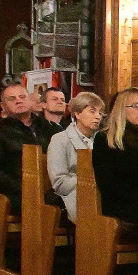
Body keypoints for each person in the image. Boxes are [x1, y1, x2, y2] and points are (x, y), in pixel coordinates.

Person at [92, 87, 138, 234]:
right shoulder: (106, 140)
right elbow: (108, 185)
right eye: (136, 106)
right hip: (123, 211)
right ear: (121, 109)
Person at [0, 84, 52, 213]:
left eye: (22, 97)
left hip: (51, 187)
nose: (18, 100)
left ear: (30, 100)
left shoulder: (49, 127)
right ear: (3, 106)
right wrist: (21, 185)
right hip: (17, 191)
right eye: (12, 99)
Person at [46, 91, 104, 223]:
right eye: (92, 111)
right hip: (73, 195)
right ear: (77, 113)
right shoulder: (60, 139)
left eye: (100, 113)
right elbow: (59, 182)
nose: (98, 117)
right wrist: (89, 182)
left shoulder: (101, 140)